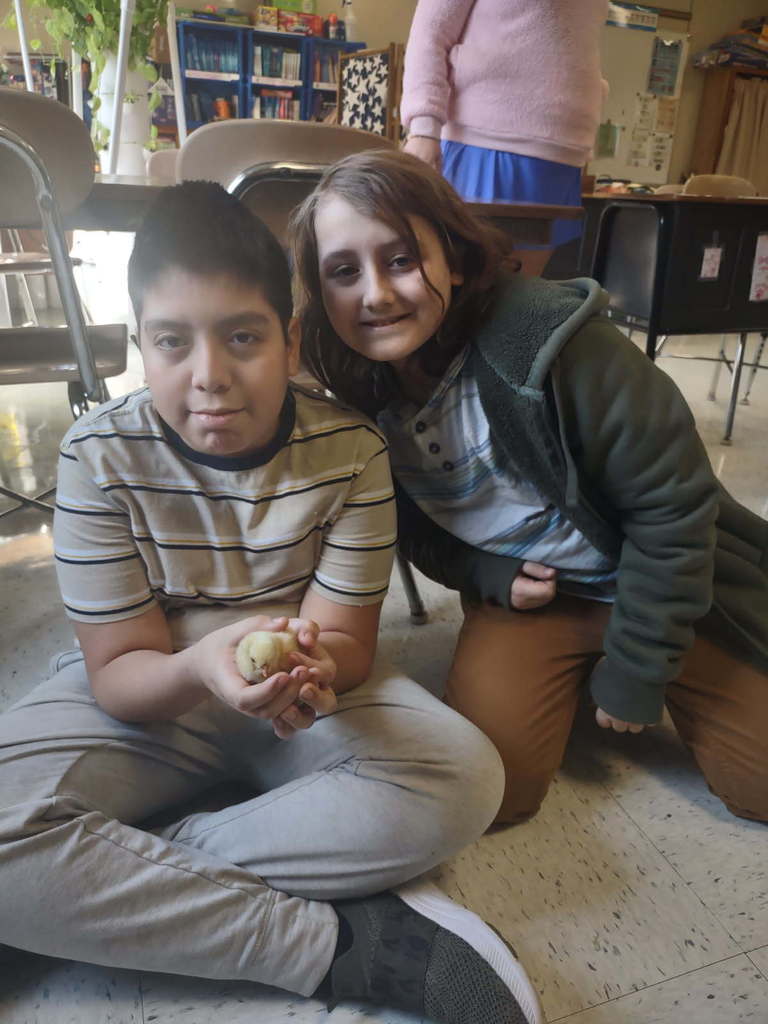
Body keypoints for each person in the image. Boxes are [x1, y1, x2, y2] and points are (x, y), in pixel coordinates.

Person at [0, 182, 544, 1024]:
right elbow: (117, 676)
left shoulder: (353, 451)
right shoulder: (95, 456)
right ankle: (337, 947)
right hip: (157, 684)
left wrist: (314, 664)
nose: (209, 377)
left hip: (301, 701)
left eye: (242, 337)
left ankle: (97, 894)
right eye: (172, 342)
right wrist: (203, 665)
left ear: (290, 340)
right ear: (138, 344)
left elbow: (351, 647)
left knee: (466, 779)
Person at [290, 148, 768, 826]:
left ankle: (633, 659)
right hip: (538, 604)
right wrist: (486, 573)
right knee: (492, 793)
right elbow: (418, 531)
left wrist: (638, 665)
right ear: (321, 293)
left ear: (453, 260)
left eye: (400, 260)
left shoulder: (558, 346)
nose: (376, 293)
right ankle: (571, 674)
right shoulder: (362, 399)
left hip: (660, 580)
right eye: (344, 271)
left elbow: (675, 512)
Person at [400, 0, 608, 276]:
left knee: (518, 302)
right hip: (489, 140)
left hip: (563, 151)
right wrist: (424, 130)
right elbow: (430, 33)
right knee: (472, 293)